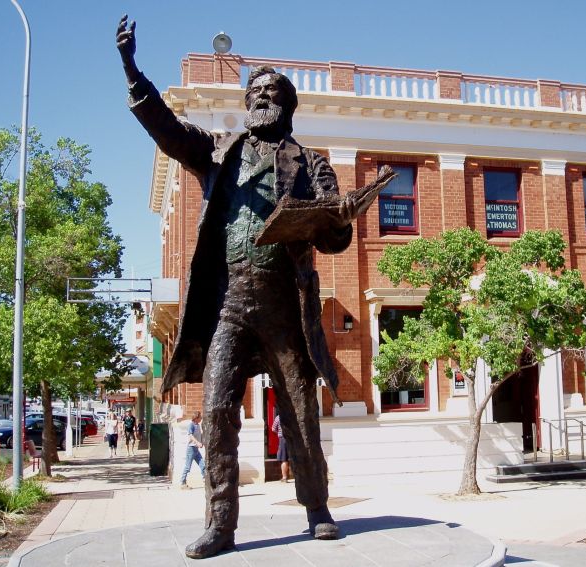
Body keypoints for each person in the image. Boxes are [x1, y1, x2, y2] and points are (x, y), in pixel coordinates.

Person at [117, 14, 369, 559]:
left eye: (271, 91)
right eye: (254, 90)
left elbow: (332, 243)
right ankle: (220, 525)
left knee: (301, 409)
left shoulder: (313, 164)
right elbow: (167, 128)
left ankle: (317, 508)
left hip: (285, 303)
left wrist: (340, 218)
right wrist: (133, 71)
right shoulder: (217, 151)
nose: (261, 98)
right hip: (229, 302)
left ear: (287, 104)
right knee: (217, 410)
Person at [180, 411, 206, 489]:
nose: (201, 418)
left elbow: (200, 435)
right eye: (200, 417)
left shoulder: (198, 425)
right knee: (188, 467)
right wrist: (197, 442)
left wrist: (202, 442)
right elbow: (190, 435)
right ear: (196, 418)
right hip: (191, 449)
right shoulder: (191, 425)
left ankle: (205, 479)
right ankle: (182, 483)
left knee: (202, 464)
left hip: (196, 450)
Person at [271, 411, 290, 482]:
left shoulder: (278, 418)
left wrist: (278, 433)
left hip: (283, 439)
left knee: (284, 458)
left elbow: (273, 428)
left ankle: (284, 477)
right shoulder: (290, 417)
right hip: (291, 439)